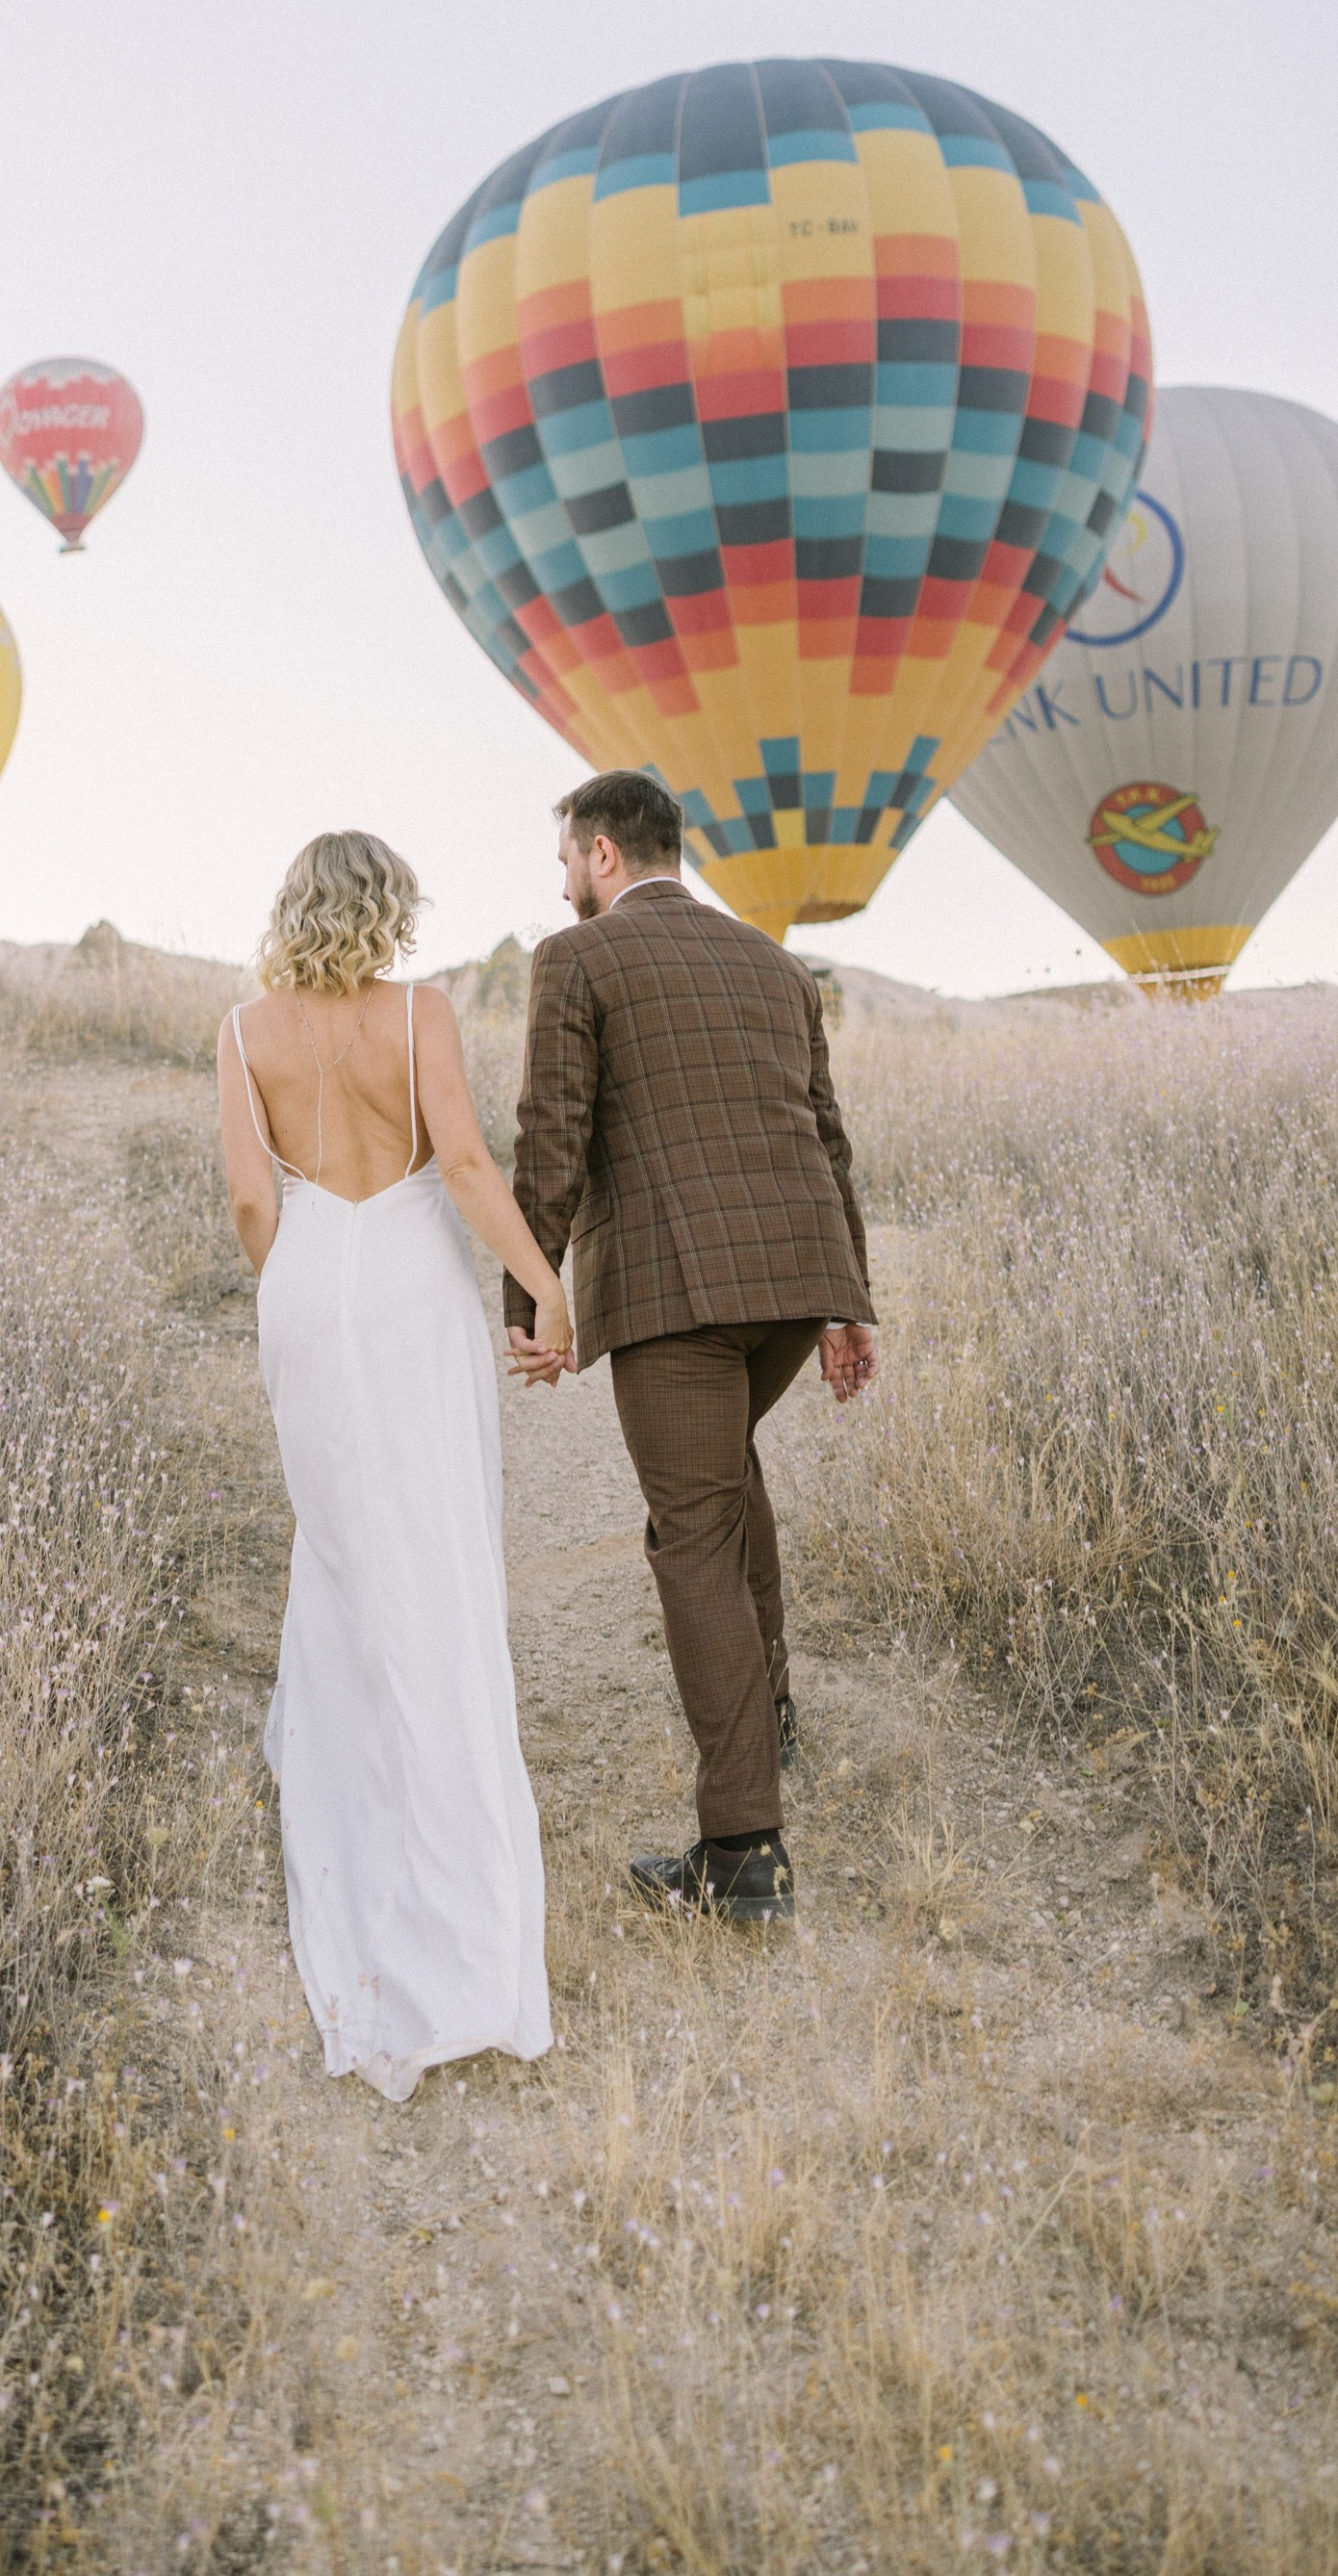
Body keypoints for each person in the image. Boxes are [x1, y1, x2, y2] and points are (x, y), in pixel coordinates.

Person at [217, 830, 571, 2102]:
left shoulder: (242, 1027)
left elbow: (252, 1201)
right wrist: (542, 1287)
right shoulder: (419, 1010)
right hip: (415, 1278)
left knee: (342, 1534)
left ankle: (351, 1743)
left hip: (307, 1281)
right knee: (433, 1536)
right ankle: (451, 1853)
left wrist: (297, 1285)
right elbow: (465, 1166)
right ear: (389, 909)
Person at [505, 772, 877, 1928]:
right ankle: (769, 1717)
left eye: (566, 855)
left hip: (677, 1286)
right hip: (795, 1272)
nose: (561, 876)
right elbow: (828, 1136)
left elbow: (550, 1130)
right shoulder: (776, 963)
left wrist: (530, 1294)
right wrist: (849, 1300)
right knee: (728, 1476)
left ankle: (742, 1849)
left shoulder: (577, 960)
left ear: (605, 852)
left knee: (693, 1531)